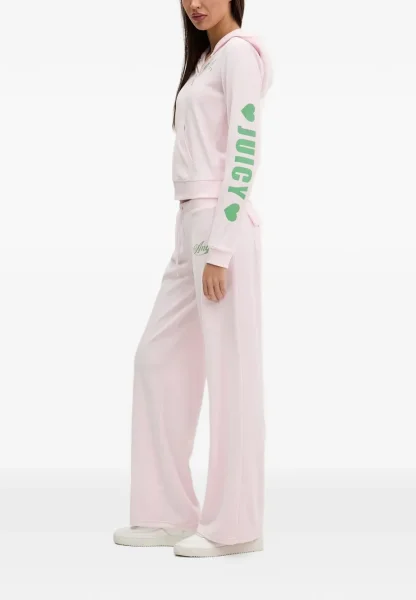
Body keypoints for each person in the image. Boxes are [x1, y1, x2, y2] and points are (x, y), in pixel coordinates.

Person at [113, 0, 273, 558]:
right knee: (155, 359)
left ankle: (236, 528)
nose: (194, 3)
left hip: (219, 226)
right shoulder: (206, 60)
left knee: (231, 375)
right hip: (189, 226)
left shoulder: (241, 56)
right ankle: (167, 512)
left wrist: (221, 247)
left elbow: (244, 151)